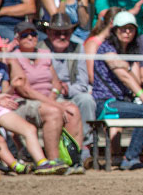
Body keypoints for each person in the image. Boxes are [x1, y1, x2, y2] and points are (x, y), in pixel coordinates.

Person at [0, 30, 65, 175]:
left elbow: (1, 92)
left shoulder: (0, 67)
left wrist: (11, 89)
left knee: (29, 129)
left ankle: (42, 163)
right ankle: (14, 165)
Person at [8, 21, 85, 173]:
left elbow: (56, 83)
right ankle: (53, 161)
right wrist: (54, 104)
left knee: (73, 110)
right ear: (17, 39)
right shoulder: (13, 57)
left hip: (47, 99)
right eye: (25, 35)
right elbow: (25, 90)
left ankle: (72, 159)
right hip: (24, 102)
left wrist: (54, 96)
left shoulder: (44, 54)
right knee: (53, 112)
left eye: (33, 34)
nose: (30, 37)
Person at [92, 11, 143, 170]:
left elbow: (135, 80)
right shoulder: (106, 48)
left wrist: (128, 64)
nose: (127, 32)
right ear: (115, 30)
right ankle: (130, 157)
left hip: (124, 102)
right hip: (105, 104)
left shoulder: (131, 51)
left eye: (131, 29)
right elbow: (126, 78)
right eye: (123, 29)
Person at [41, 12, 95, 156]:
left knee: (86, 99)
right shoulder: (40, 49)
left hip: (71, 93)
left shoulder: (79, 48)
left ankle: (85, 146)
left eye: (66, 32)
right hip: (47, 95)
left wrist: (67, 89)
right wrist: (55, 90)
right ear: (48, 32)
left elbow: (83, 83)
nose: (62, 36)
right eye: (57, 33)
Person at [84, 8, 118, 88]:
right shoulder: (93, 44)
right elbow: (91, 76)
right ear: (112, 23)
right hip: (98, 89)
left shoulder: (115, 42)